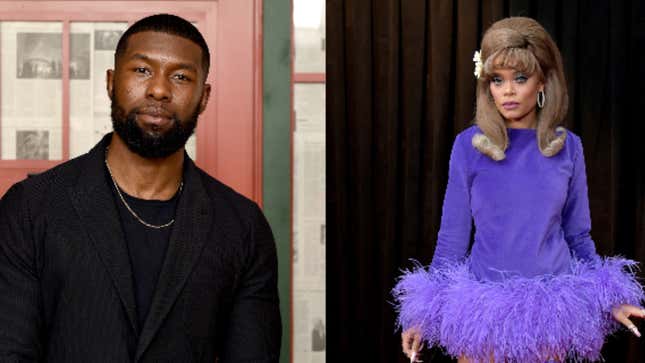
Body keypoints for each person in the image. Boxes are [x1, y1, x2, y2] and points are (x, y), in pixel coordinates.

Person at [0, 14, 281, 362]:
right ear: (111, 82)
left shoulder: (243, 226)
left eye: (180, 76)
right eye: (142, 70)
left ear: (204, 97)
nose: (159, 89)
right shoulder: (30, 209)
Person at [393, 17, 644, 363]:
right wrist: (421, 313)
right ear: (487, 85)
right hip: (483, 309)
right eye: (497, 80)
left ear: (543, 81)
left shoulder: (568, 148)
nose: (507, 91)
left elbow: (578, 236)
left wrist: (609, 297)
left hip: (548, 312)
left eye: (520, 79)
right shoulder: (468, 147)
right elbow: (452, 237)